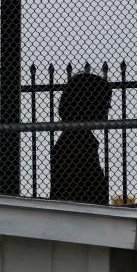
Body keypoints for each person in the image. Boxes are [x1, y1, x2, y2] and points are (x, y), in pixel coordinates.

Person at [50, 71, 112, 205]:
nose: (108, 107)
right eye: (105, 101)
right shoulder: (77, 143)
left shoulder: (76, 139)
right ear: (91, 103)